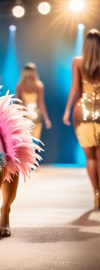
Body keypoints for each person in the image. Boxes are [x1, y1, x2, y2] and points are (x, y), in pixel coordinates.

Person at [63, 29, 100, 210]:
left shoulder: (77, 61)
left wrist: (67, 110)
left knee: (90, 158)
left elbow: (75, 88)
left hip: (83, 113)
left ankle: (96, 193)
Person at [16, 62, 52, 140]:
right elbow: (17, 103)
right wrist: (16, 117)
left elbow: (41, 103)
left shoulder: (39, 86)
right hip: (25, 117)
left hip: (35, 117)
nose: (29, 73)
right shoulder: (20, 86)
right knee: (26, 141)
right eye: (28, 70)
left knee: (34, 140)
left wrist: (46, 119)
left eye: (31, 70)